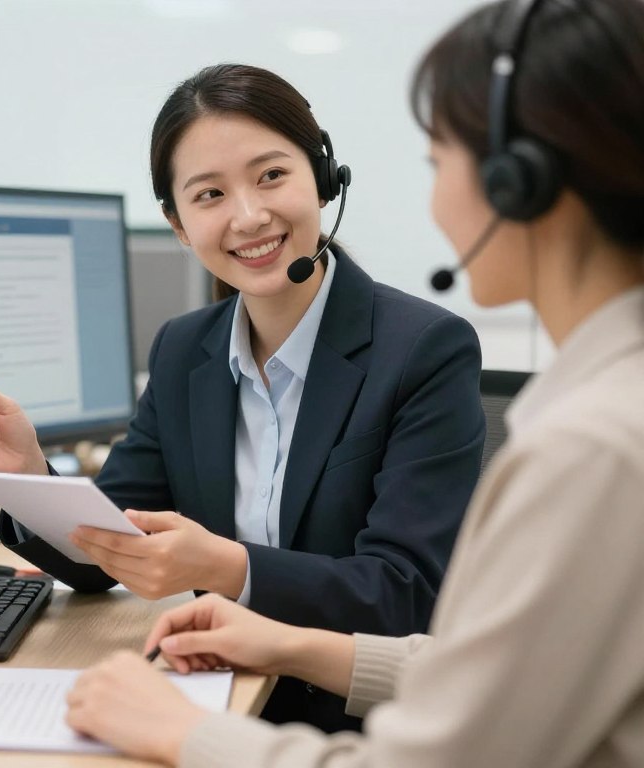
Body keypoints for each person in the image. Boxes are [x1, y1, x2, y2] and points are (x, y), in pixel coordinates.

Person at [63, 0, 644, 764]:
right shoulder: (593, 414)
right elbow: (482, 674)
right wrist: (287, 645)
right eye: (208, 194)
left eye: (441, 162)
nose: (246, 215)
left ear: (519, 184)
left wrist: (184, 730)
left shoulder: (591, 446)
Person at [0, 64, 486, 731]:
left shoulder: (423, 349)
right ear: (179, 224)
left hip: (351, 725)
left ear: (324, 179)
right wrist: (28, 477)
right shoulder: (185, 351)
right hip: (220, 691)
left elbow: (404, 598)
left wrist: (227, 567)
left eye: (272, 176)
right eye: (209, 194)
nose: (248, 216)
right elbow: (108, 550)